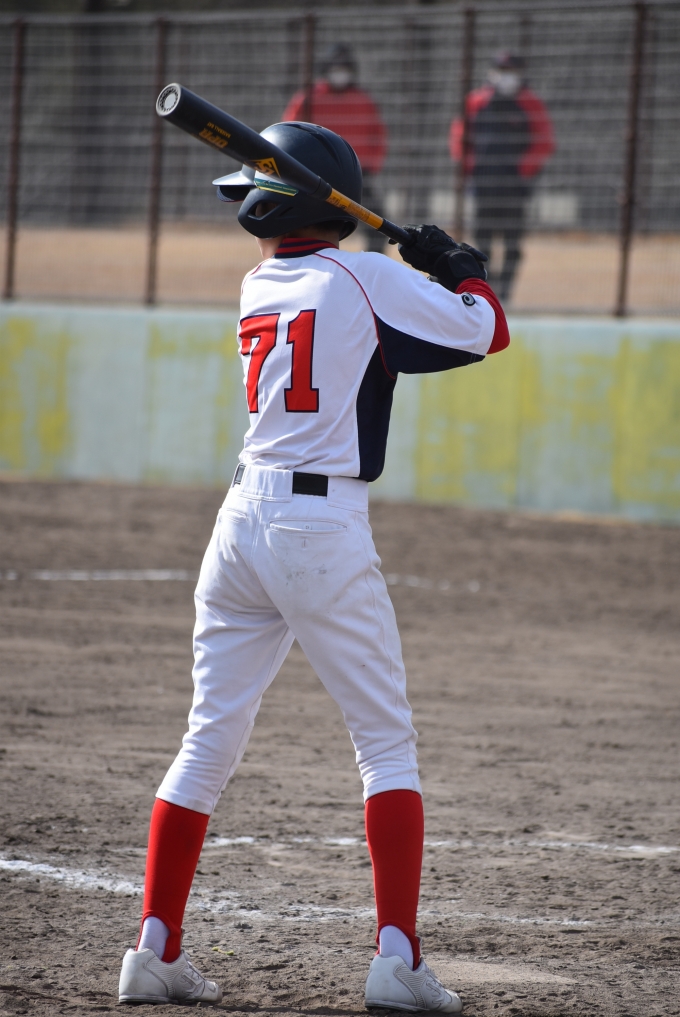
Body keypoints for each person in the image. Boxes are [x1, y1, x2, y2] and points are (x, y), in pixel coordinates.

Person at [117, 120, 509, 1008]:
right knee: (386, 743)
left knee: (208, 736)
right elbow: (487, 331)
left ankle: (154, 945)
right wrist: (458, 270)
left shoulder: (261, 282)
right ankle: (397, 960)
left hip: (239, 523)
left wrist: (422, 271)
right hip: (318, 529)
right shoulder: (362, 274)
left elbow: (387, 342)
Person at [449, 49, 555, 301]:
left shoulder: (531, 103)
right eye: (502, 71)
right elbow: (459, 137)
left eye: (512, 71)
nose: (507, 76)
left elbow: (544, 141)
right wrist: (470, 167)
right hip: (484, 183)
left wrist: (522, 170)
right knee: (481, 243)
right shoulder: (476, 101)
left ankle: (505, 294)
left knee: (512, 243)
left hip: (514, 186)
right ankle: (486, 291)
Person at [282, 43, 388, 253]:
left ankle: (370, 263)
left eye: (344, 68)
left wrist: (371, 166)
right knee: (306, 225)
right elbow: (288, 133)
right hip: (314, 175)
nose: (340, 74)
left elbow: (378, 134)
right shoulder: (308, 98)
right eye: (336, 68)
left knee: (378, 227)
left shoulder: (363, 100)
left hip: (356, 175)